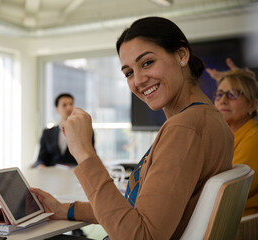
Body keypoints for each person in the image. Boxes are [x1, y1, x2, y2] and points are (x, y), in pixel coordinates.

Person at [30, 16, 233, 240]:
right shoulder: (209, 118)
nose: (138, 80)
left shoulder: (183, 128)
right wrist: (64, 209)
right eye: (128, 73)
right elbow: (136, 213)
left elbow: (142, 235)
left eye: (147, 63)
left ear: (181, 55)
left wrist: (84, 153)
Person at [213, 69, 258, 216]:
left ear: (252, 105)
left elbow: (229, 190)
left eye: (233, 94)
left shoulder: (254, 139)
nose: (223, 100)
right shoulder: (222, 138)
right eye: (219, 94)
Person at [33, 93, 95, 168]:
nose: (69, 108)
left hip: (76, 173)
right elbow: (41, 159)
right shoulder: (47, 133)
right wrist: (41, 166)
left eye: (71, 104)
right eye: (64, 105)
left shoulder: (84, 131)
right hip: (52, 174)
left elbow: (91, 156)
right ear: (57, 109)